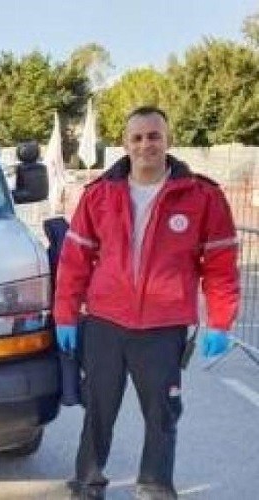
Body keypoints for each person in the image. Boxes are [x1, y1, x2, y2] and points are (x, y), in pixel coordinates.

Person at [54, 106, 240, 499]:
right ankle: (87, 483)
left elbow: (221, 266)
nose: (145, 145)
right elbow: (74, 261)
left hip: (163, 327)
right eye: (137, 138)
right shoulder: (99, 194)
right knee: (98, 409)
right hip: (105, 322)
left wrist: (221, 322)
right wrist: (65, 315)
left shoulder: (202, 196)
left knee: (161, 414)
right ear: (125, 143)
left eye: (154, 136)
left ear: (168, 140)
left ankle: (155, 486)